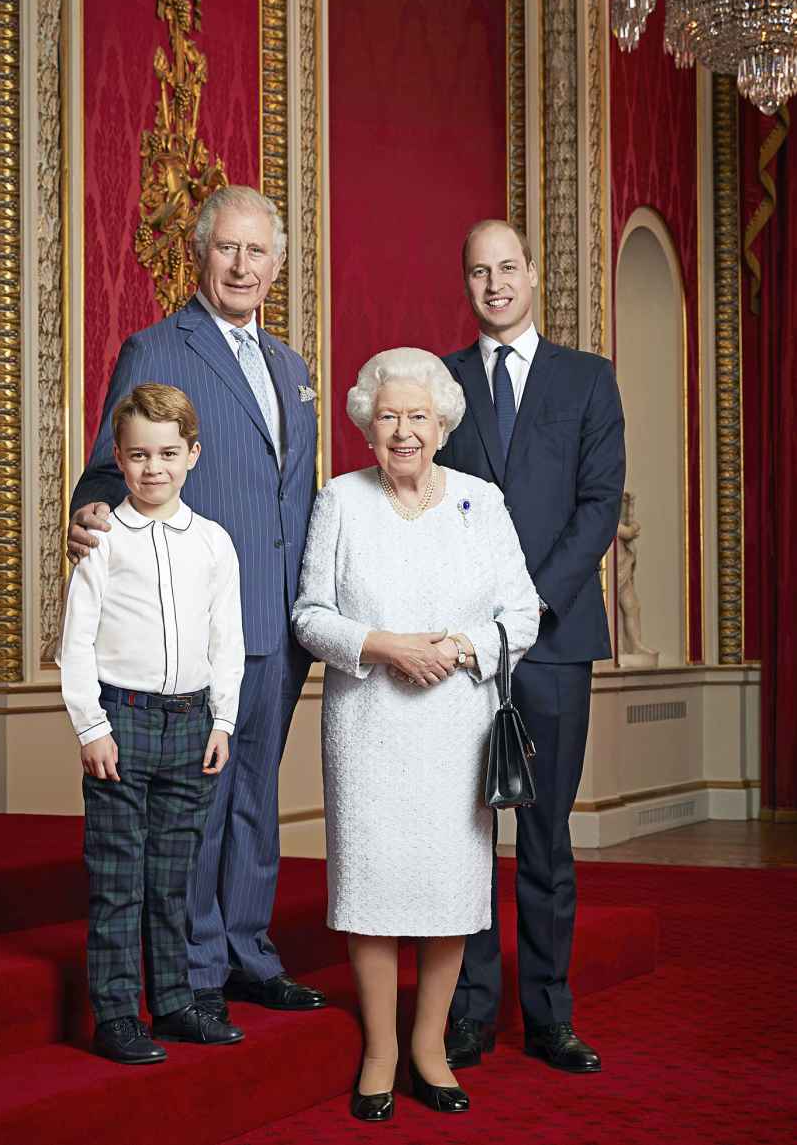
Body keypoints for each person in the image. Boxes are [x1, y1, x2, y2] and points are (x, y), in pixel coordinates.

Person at [66, 186, 325, 1038]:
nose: (243, 266)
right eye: (228, 250)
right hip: (201, 621)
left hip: (280, 621)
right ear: (202, 255)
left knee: (256, 795)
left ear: (277, 265)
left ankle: (251, 952)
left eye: (258, 253)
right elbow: (112, 463)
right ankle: (196, 969)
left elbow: (295, 497)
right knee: (200, 809)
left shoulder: (292, 367)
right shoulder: (157, 346)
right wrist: (93, 509)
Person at [293, 349, 540, 1121]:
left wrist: (459, 648)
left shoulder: (482, 500)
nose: (404, 431)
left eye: (418, 417)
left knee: (448, 890)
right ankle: (380, 1048)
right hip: (368, 723)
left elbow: (522, 613)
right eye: (389, 416)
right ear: (368, 425)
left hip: (455, 725)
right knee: (370, 888)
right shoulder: (340, 499)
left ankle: (430, 1045)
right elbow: (309, 614)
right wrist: (384, 645)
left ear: (442, 424)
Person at [436, 219, 625, 1074]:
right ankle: (470, 1010)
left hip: (552, 642)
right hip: (465, 649)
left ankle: (549, 1013)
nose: (494, 284)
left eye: (507, 267)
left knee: (546, 838)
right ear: (467, 283)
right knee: (468, 835)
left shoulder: (589, 380)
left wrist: (529, 604)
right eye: (479, 272)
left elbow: (598, 507)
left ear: (534, 275)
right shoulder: (435, 383)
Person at [57, 383, 245, 1063]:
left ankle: (172, 1001)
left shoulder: (215, 544)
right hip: (122, 720)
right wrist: (90, 726)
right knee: (116, 874)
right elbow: (74, 642)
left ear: (192, 453)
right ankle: (115, 1012)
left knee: (172, 874)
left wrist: (223, 719)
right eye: (139, 455)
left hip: (192, 723)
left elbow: (228, 637)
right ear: (119, 456)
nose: (153, 468)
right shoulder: (103, 540)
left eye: (168, 452)